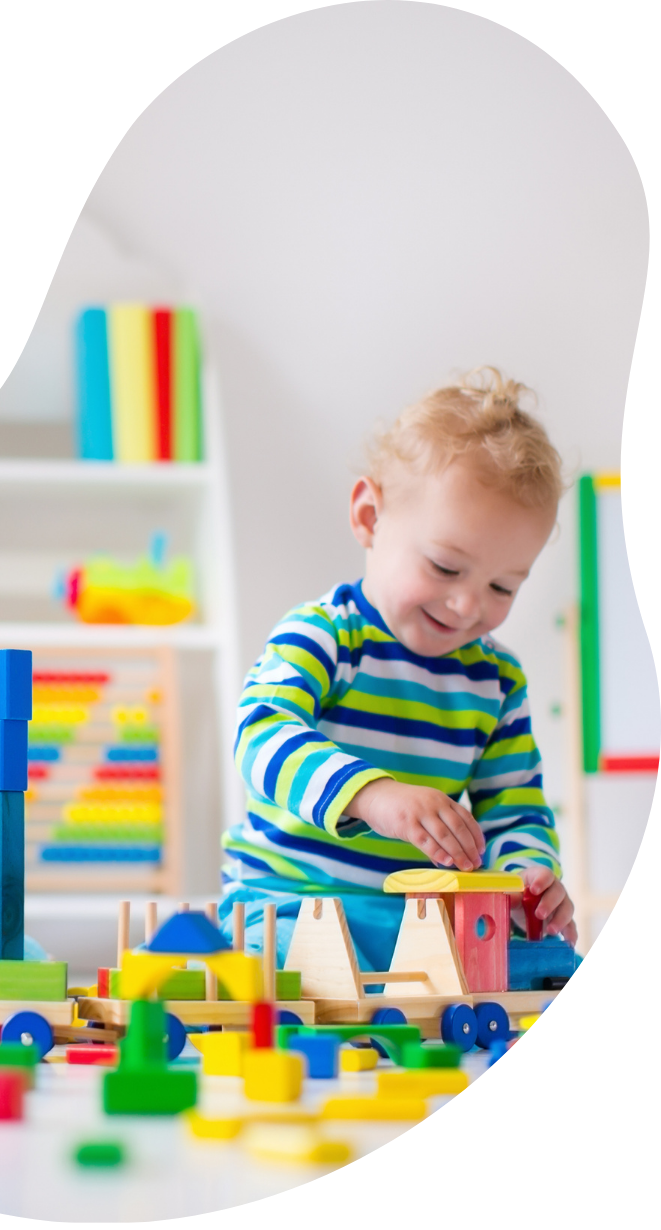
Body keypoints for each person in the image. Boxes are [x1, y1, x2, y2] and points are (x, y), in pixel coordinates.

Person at [221, 369, 578, 973]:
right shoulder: (327, 635)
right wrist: (371, 795)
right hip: (289, 904)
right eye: (445, 567)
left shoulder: (496, 682)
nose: (469, 605)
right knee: (274, 971)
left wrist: (526, 876)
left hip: (422, 922)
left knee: (549, 965)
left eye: (501, 586)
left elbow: (514, 809)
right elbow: (259, 734)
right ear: (369, 517)